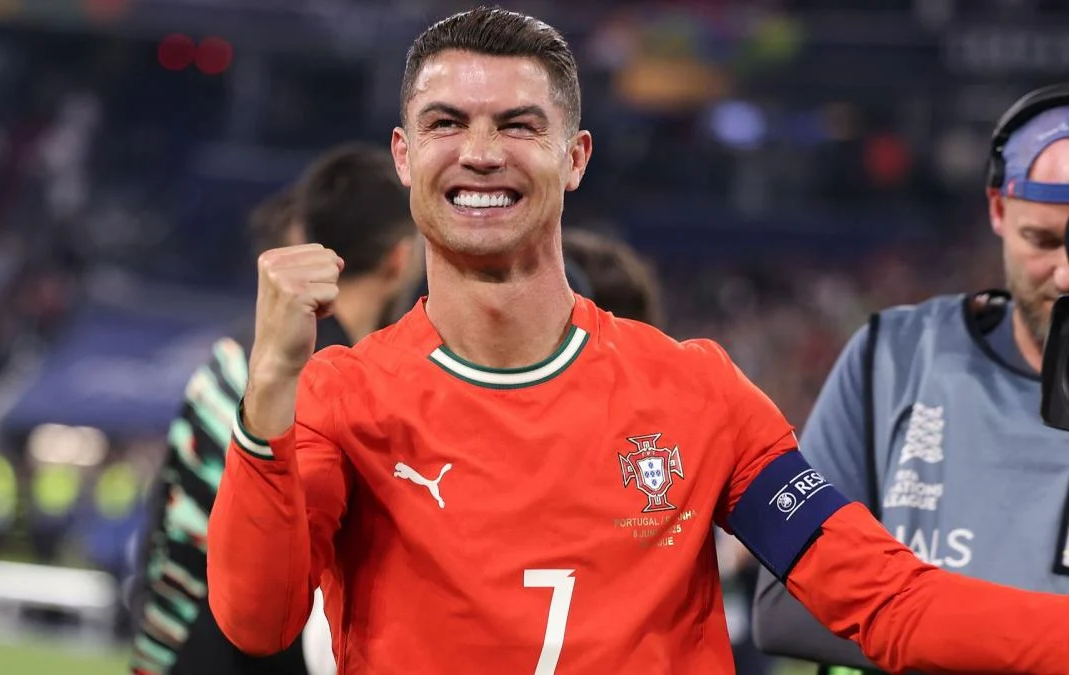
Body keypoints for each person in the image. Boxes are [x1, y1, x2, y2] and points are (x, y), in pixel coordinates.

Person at [207, 9, 1069, 674]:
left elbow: (886, 600)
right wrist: (271, 385)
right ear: (404, 156)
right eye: (445, 123)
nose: (480, 152)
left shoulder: (698, 394)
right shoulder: (341, 397)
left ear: (576, 157)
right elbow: (258, 619)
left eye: (518, 125)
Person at [751, 85, 1069, 674]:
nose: (1066, 274)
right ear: (998, 211)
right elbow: (786, 600)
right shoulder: (895, 357)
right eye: (1043, 240)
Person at [129, 143, 420, 675]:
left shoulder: (232, 355)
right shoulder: (348, 389)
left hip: (171, 649)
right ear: (399, 260)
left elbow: (163, 525)